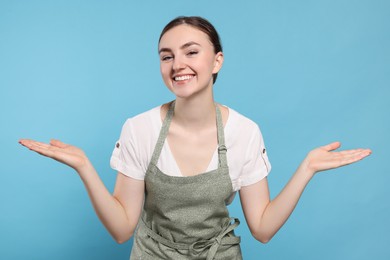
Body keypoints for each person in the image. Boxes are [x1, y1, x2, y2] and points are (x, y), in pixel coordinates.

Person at [19, 16, 371, 260]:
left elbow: (262, 228)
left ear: (216, 61)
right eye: (166, 56)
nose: (177, 65)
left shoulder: (243, 132)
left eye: (191, 52)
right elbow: (122, 229)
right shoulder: (139, 129)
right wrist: (84, 166)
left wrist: (306, 168)